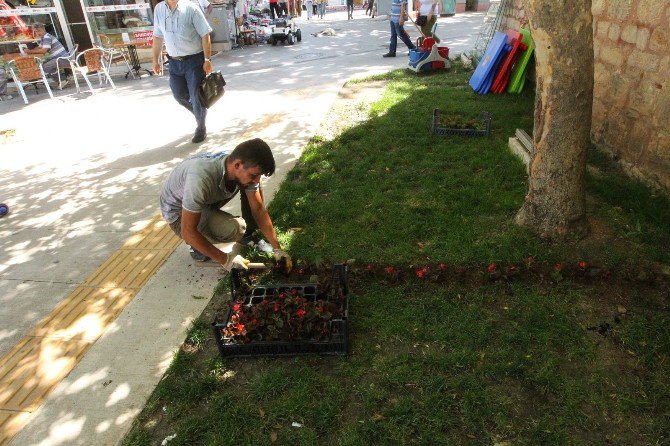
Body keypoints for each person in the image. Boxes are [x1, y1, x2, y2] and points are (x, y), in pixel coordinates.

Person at [159, 138, 291, 270]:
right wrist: (226, 260)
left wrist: (277, 249)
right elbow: (188, 231)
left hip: (201, 199)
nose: (256, 179)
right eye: (254, 175)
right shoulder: (201, 179)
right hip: (178, 214)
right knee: (235, 229)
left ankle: (249, 234)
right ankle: (196, 246)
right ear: (237, 165)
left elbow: (258, 209)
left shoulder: (235, 164)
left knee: (249, 185)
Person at [152, 0, 213, 144]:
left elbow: (205, 34)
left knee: (196, 96)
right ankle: (199, 112)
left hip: (194, 61)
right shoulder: (159, 9)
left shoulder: (191, 8)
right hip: (173, 62)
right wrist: (155, 59)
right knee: (178, 94)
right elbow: (158, 36)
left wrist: (207, 59)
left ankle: (201, 127)